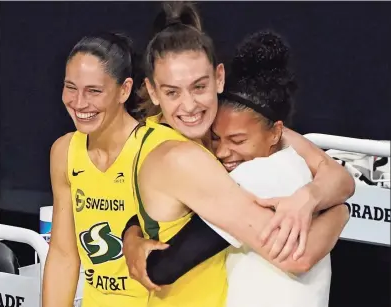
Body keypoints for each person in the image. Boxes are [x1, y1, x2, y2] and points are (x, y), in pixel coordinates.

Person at [124, 2, 354, 306]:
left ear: (218, 78)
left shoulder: (229, 124)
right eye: (172, 92)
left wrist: (309, 198)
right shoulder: (181, 156)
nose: (190, 105)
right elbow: (298, 255)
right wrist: (340, 213)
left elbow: (340, 178)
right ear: (153, 92)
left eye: (199, 86)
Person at [42, 32, 150, 307]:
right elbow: (64, 255)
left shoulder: (156, 151)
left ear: (124, 90)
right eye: (70, 87)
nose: (79, 103)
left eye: (94, 91)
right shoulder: (64, 151)